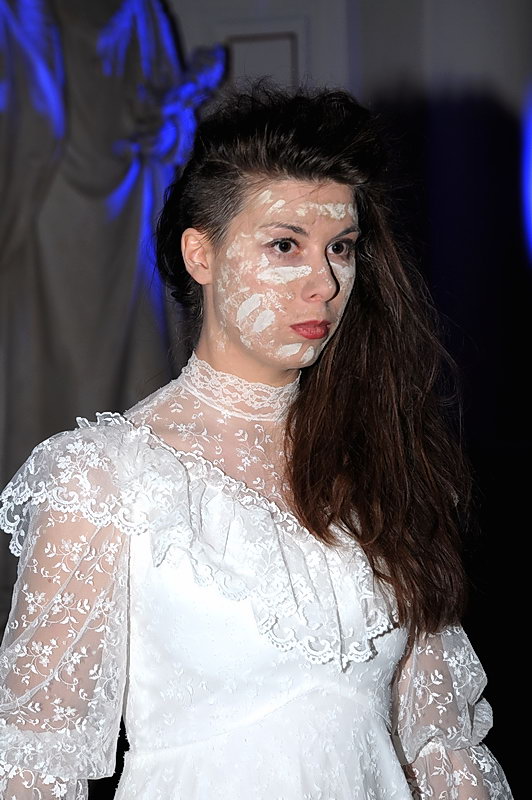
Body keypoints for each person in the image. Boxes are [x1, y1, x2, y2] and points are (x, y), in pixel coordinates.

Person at [0, 83, 513, 799]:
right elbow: (36, 764)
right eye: (285, 245)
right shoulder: (104, 477)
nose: (324, 282)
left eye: (341, 248)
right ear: (201, 255)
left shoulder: (380, 462)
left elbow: (444, 747)